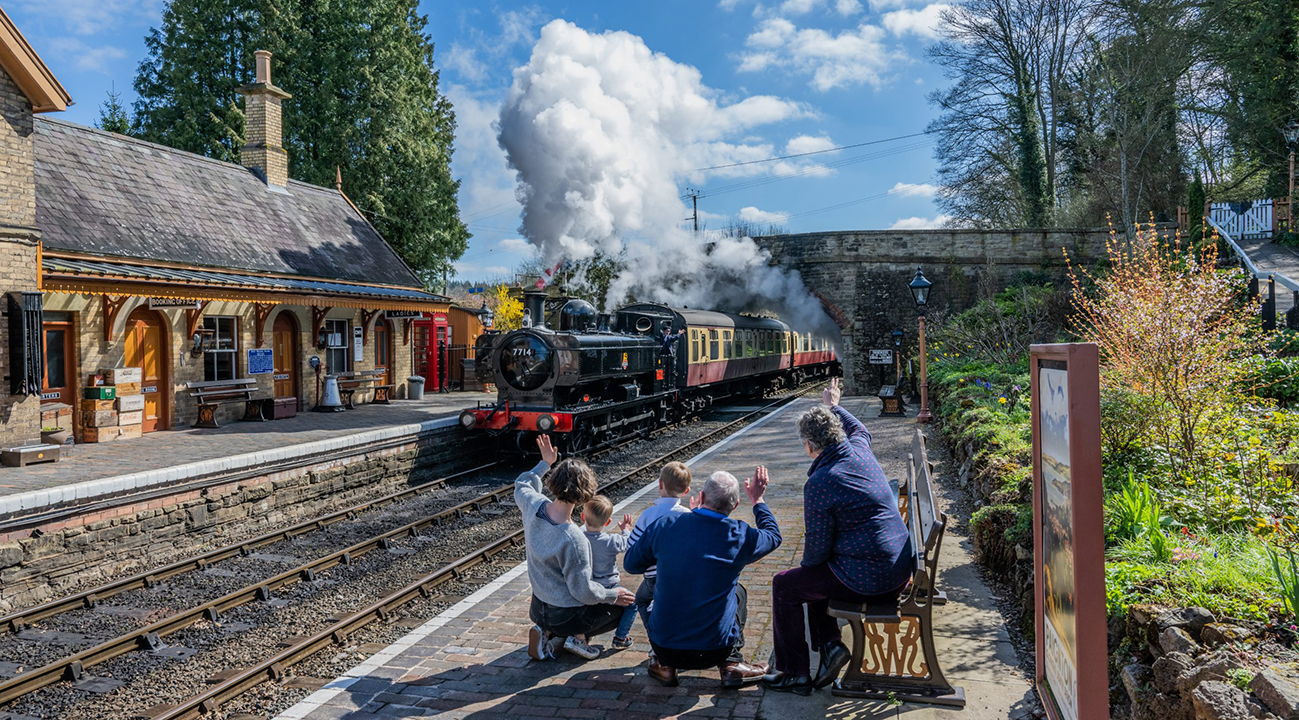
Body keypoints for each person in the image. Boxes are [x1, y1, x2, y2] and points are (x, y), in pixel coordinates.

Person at [763, 378, 914, 695]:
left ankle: (794, 673)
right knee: (816, 578)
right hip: (899, 568)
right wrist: (834, 406)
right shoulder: (859, 450)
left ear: (809, 446)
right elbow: (860, 429)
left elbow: (816, 552)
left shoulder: (820, 481)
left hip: (874, 579)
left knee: (788, 585)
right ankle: (830, 647)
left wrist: (805, 569)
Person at [625, 468, 780, 688]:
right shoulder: (740, 534)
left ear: (702, 497)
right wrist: (758, 499)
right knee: (738, 592)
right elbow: (773, 535)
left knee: (650, 595)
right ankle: (732, 664)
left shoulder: (665, 525)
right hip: (716, 649)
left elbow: (631, 564)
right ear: (734, 506)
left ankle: (663, 665)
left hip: (665, 648)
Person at [517, 435, 635, 661]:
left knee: (591, 598)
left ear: (553, 482)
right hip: (565, 616)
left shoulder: (533, 505)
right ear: (585, 497)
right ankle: (575, 637)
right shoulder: (573, 538)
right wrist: (612, 595)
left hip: (538, 606)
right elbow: (584, 592)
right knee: (625, 603)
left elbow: (522, 483)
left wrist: (545, 463)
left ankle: (545, 631)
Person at [625, 461, 693, 629]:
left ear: (660, 484)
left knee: (641, 600)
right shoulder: (688, 515)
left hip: (653, 578)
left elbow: (632, 546)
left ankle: (654, 634)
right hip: (680, 577)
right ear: (686, 491)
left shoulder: (648, 515)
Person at [581, 495, 638, 649]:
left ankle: (583, 633)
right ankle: (621, 637)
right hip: (610, 589)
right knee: (633, 604)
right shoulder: (611, 541)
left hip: (588, 588)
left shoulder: (579, 539)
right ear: (607, 522)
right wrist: (625, 529)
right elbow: (628, 544)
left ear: (582, 517)